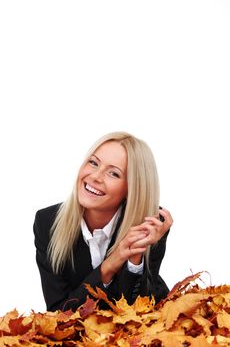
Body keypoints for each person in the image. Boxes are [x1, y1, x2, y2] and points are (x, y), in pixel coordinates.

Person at [33, 131, 173, 312]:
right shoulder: (47, 222)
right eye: (93, 163)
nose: (95, 177)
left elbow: (138, 313)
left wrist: (134, 258)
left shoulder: (151, 224)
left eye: (113, 173)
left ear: (132, 188)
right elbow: (58, 313)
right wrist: (108, 267)